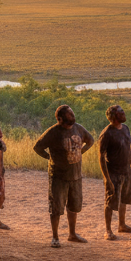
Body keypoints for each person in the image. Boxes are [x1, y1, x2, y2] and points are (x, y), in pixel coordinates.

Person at [33, 104, 93, 248]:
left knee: (73, 206)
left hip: (75, 175)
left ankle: (72, 234)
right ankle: (55, 236)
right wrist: (50, 158)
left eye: (72, 114)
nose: (73, 117)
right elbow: (37, 147)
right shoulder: (53, 132)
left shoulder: (78, 128)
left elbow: (90, 140)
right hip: (58, 176)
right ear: (60, 119)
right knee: (56, 207)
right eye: (70, 115)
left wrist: (80, 153)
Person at [97, 105, 131, 241]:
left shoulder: (125, 129)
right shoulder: (106, 133)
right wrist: (106, 178)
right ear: (114, 116)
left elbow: (129, 150)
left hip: (126, 170)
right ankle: (108, 230)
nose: (124, 114)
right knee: (110, 201)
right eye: (121, 112)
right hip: (113, 172)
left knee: (124, 198)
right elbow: (101, 157)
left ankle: (122, 225)